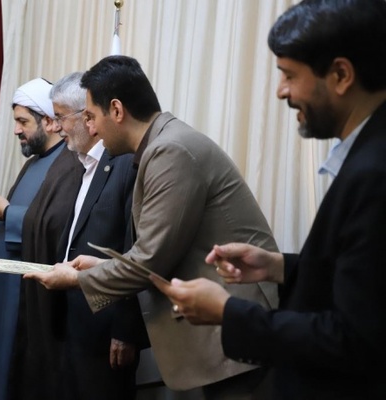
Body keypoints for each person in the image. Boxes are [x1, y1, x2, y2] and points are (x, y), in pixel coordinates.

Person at [150, 0, 386, 398]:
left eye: (289, 75)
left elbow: (354, 339)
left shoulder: (375, 170)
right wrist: (279, 266)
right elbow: (363, 276)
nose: (281, 91)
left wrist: (228, 313)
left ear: (341, 75)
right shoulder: (367, 152)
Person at [25, 55, 279, 399]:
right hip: (224, 329)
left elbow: (149, 259)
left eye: (91, 117)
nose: (92, 129)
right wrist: (100, 267)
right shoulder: (162, 144)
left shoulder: (169, 150)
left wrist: (76, 279)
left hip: (237, 333)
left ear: (116, 110)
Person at [10, 71, 148, 400]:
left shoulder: (126, 164)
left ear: (86, 117)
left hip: (106, 326)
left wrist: (125, 329)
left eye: (60, 118)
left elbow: (135, 251)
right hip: (73, 320)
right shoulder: (81, 163)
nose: (57, 127)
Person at [0, 77, 83, 400]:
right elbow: (22, 219)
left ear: (50, 122)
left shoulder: (70, 164)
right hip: (4, 283)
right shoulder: (32, 164)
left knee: (14, 371)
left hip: (27, 289)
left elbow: (57, 224)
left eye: (23, 122)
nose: (16, 130)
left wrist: (6, 212)